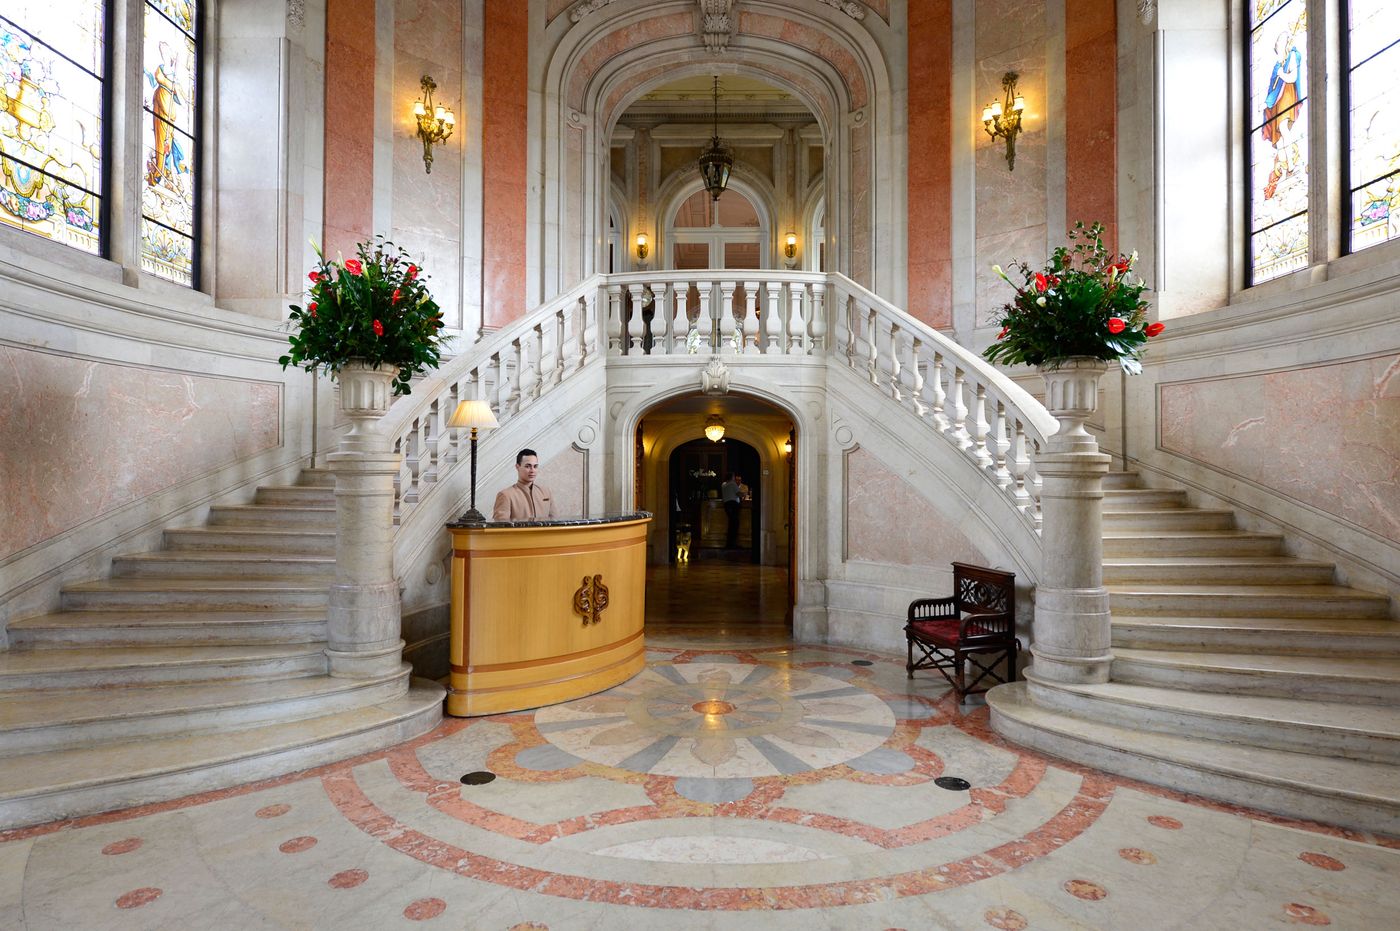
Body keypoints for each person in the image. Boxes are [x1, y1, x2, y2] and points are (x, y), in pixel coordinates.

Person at [492, 448, 555, 520]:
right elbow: (501, 529)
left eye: (535, 466)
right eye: (527, 466)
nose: (532, 470)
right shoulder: (506, 495)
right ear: (517, 467)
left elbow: (556, 522)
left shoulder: (546, 492)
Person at [720, 472, 742, 548]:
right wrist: (744, 494)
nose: (734, 477)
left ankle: (729, 543)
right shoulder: (733, 484)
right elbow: (739, 494)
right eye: (733, 476)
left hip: (726, 505)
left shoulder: (723, 485)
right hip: (733, 505)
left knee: (731, 524)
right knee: (735, 524)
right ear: (732, 477)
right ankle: (733, 544)